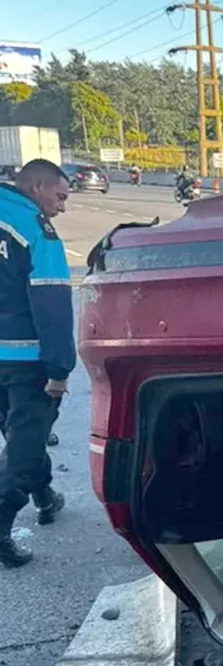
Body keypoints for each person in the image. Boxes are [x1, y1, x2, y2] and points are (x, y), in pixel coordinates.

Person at [0, 159, 74, 567]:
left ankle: (45, 496)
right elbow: (52, 304)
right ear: (37, 186)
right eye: (60, 196)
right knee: (27, 442)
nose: (62, 207)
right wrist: (60, 368)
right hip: (26, 359)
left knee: (23, 436)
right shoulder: (34, 229)